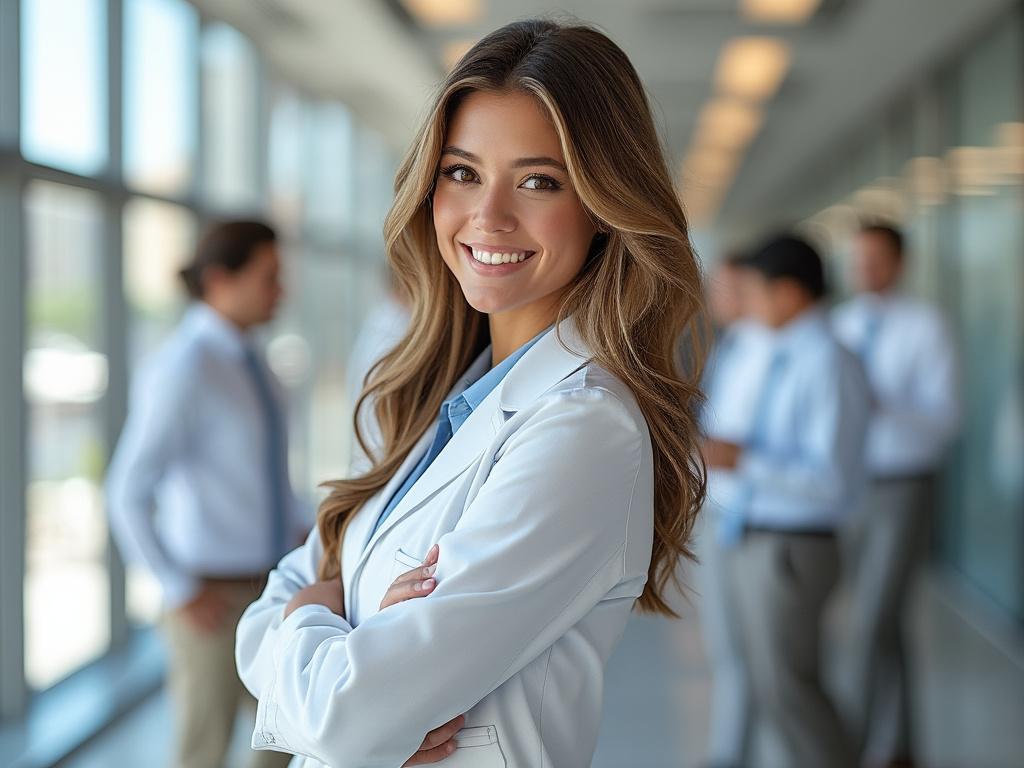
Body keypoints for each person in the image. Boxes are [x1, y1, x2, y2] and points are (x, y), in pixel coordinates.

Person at [234, 19, 706, 768]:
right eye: (462, 173)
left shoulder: (583, 429)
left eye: (538, 181)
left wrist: (304, 623)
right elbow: (297, 603)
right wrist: (319, 626)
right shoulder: (447, 396)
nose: (488, 217)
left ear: (603, 208)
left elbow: (341, 715)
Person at [107, 221, 307, 768]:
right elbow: (126, 492)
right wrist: (178, 588)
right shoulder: (184, 367)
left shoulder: (254, 363)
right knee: (203, 752)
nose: (281, 292)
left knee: (284, 740)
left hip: (268, 585)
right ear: (221, 279)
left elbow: (264, 474)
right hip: (211, 600)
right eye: (269, 277)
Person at [704, 235, 869, 768]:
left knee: (789, 688)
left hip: (791, 545)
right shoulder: (762, 346)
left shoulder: (830, 361)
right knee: (760, 679)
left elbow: (832, 480)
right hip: (743, 529)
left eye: (754, 291)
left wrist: (743, 461)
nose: (743, 303)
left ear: (792, 293)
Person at [832, 224, 960, 768]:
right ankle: (903, 746)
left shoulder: (926, 325)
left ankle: (852, 748)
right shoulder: (840, 324)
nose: (866, 269)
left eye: (877, 259)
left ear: (900, 263)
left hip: (903, 482)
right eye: (858, 259)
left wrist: (880, 407)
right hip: (849, 485)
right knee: (883, 620)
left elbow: (947, 418)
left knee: (869, 618)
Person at [698, 255, 766, 768]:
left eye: (728, 286)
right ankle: (730, 751)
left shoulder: (771, 350)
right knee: (727, 644)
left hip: (760, 511)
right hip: (725, 506)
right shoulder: (733, 346)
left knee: (760, 653)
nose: (717, 296)